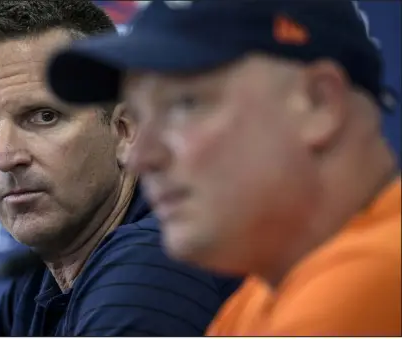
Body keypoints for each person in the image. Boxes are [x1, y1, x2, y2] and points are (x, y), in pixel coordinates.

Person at [46, 0, 401, 336]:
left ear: (318, 102)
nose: (141, 157)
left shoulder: (366, 284)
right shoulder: (268, 288)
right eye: (139, 116)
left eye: (184, 104)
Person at [0, 0, 241, 336]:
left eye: (44, 116)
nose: (5, 158)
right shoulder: (33, 284)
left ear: (124, 130)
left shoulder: (154, 261)